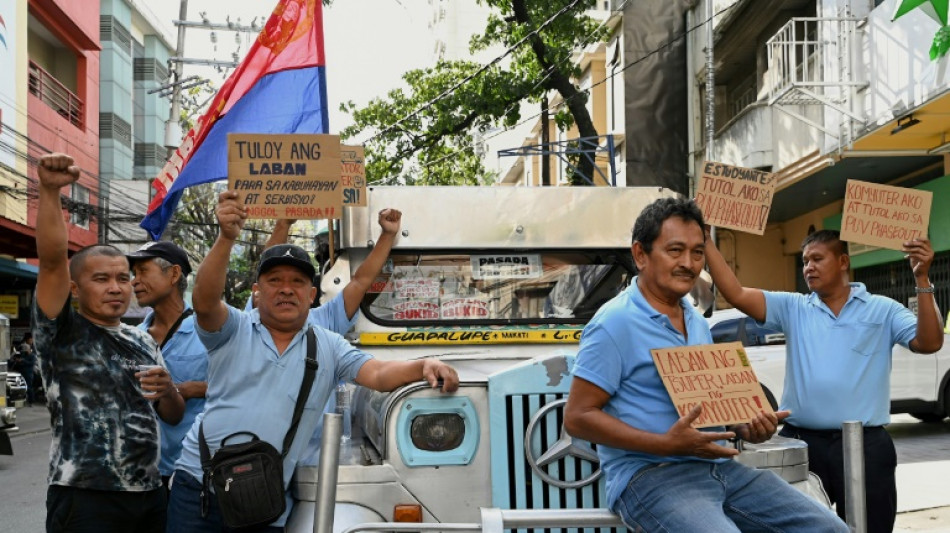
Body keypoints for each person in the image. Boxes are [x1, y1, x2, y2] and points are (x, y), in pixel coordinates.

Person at [165, 190, 458, 532]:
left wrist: (422, 366)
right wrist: (226, 238)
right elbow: (204, 300)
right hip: (199, 486)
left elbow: (377, 372)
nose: (286, 289)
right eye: (274, 281)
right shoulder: (233, 328)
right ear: (257, 291)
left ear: (312, 294)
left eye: (297, 282)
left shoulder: (329, 343)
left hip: (266, 498)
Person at [563, 197, 847, 532]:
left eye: (698, 252)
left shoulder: (696, 320)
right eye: (675, 250)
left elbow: (711, 407)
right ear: (640, 255)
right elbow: (577, 418)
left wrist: (746, 427)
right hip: (651, 477)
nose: (689, 263)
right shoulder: (613, 323)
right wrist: (665, 444)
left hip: (720, 467)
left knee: (831, 529)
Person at [705, 228, 944, 532]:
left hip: (866, 446)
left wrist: (922, 279)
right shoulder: (793, 307)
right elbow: (735, 293)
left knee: (870, 526)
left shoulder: (882, 309)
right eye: (805, 261)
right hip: (801, 443)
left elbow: (930, 342)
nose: (808, 267)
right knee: (796, 526)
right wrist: (705, 241)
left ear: (843, 261)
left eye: (817, 259)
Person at [31, 153, 184, 533]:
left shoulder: (142, 339)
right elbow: (51, 262)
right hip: (85, 497)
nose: (116, 287)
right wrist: (50, 192)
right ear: (75, 289)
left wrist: (168, 390)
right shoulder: (62, 331)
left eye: (122, 278)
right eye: (101, 279)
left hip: (150, 495)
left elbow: (172, 415)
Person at [127, 241, 205, 491]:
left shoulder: (210, 333)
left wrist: (196, 389)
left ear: (173, 274)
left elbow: (242, 388)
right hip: (139, 472)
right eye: (133, 273)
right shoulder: (133, 339)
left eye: (143, 271)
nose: (134, 281)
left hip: (192, 472)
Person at [15, 333, 36, 406]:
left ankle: (31, 401)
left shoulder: (32, 356)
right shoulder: (22, 353)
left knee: (29, 387)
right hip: (22, 372)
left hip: (28, 373)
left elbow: (31, 363)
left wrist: (23, 361)